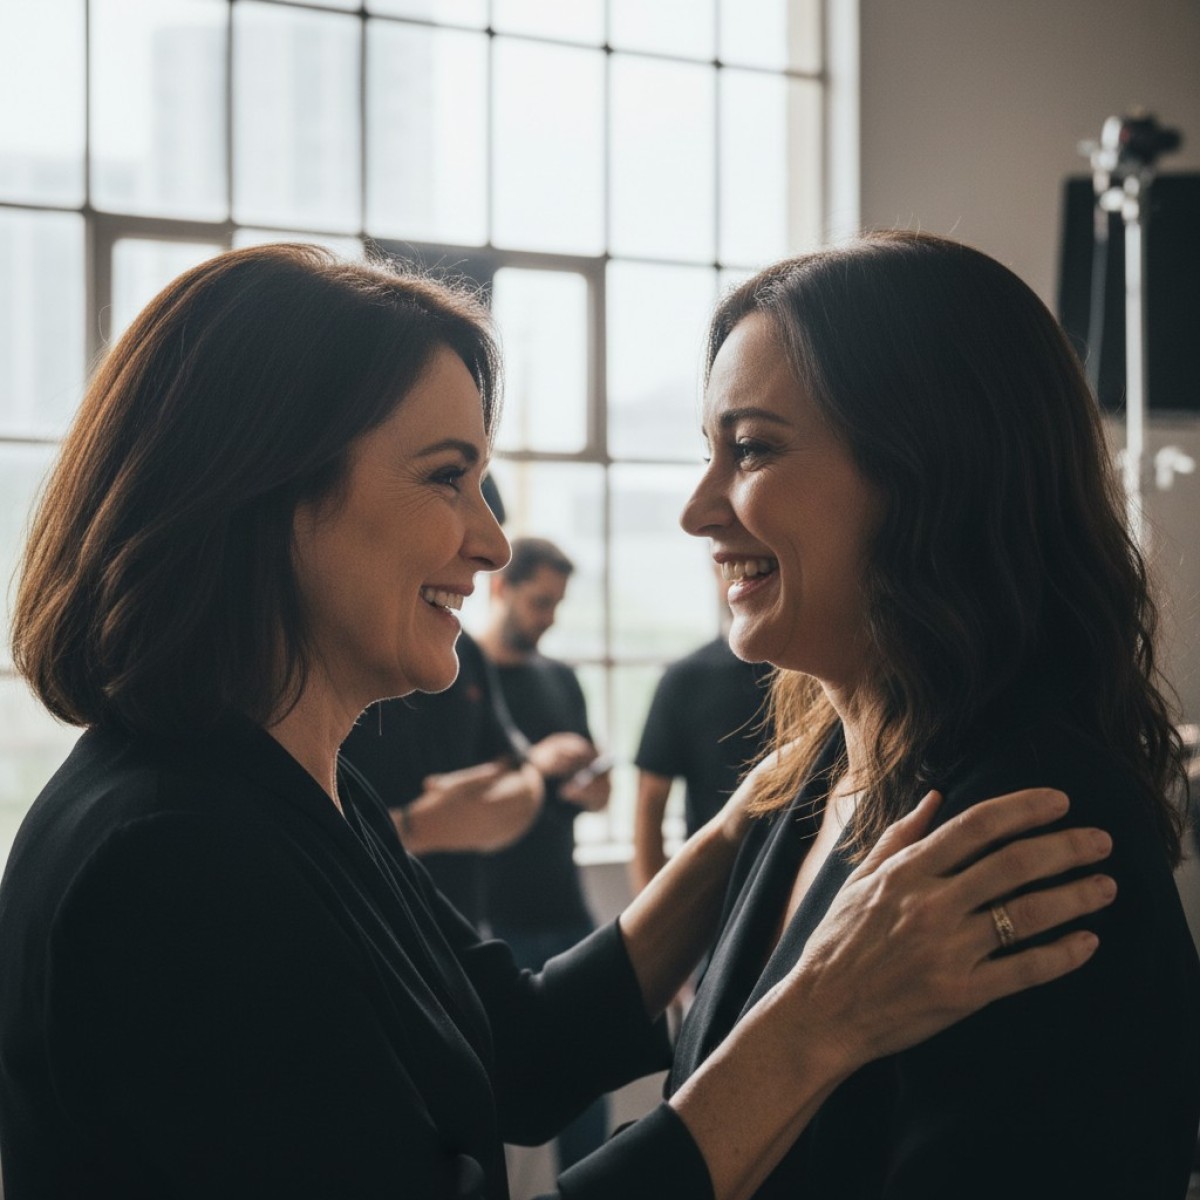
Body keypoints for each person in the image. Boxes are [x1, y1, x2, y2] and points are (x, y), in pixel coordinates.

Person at [0, 243, 1117, 1200]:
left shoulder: (293, 792)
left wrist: (751, 819)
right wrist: (818, 1018)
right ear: (264, 494)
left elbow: (517, 1051)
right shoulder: (171, 857)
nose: (490, 544)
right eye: (450, 478)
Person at [670, 230, 1200, 1198]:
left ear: (931, 472)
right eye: (709, 453)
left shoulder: (1034, 829)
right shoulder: (817, 776)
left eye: (750, 450)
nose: (700, 511)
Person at [477, 536, 612, 1171]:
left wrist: (593, 789)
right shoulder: (453, 681)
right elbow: (448, 796)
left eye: (557, 604)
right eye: (539, 601)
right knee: (484, 1099)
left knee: (588, 1082)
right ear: (500, 587)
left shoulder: (561, 679)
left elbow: (592, 783)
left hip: (565, 909)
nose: (549, 617)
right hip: (484, 922)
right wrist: (535, 762)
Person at [341, 623, 542, 928]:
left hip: (461, 925)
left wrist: (523, 792)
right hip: (362, 922)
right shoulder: (321, 648)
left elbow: (516, 765)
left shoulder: (465, 648)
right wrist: (412, 828)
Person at [631, 566, 771, 895]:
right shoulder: (686, 679)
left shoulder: (822, 680)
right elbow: (649, 808)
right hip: (714, 899)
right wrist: (656, 929)